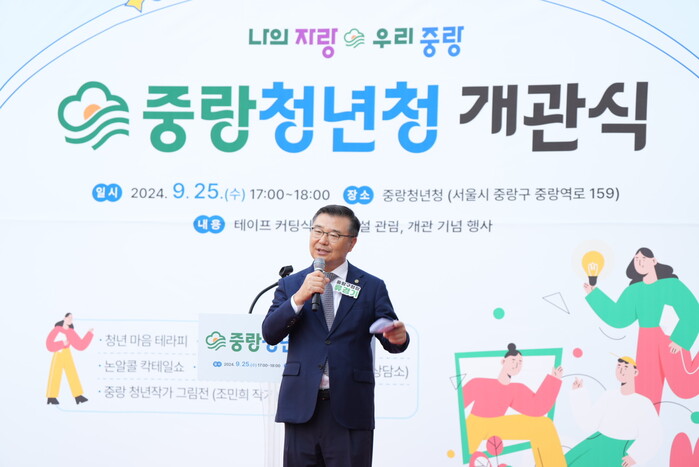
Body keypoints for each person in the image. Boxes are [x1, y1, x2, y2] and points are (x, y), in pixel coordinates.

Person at [261, 205, 409, 467]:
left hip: (350, 407)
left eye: (333, 235)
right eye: (317, 231)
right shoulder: (291, 284)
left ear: (352, 243)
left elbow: (390, 335)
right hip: (301, 406)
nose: (322, 240)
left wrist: (398, 338)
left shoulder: (371, 286)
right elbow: (270, 333)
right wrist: (299, 298)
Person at [583, 247, 699, 410]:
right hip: (646, 341)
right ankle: (647, 423)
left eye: (643, 258)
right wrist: (594, 294)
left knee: (685, 386)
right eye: (636, 259)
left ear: (654, 261)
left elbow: (693, 311)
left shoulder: (672, 285)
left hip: (670, 338)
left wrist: (680, 340)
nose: (639, 262)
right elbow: (619, 317)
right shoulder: (634, 290)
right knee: (646, 394)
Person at [461, 343, 566, 467]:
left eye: (520, 362)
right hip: (475, 423)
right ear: (503, 361)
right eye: (513, 360)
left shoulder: (515, 389)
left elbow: (537, 407)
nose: (516, 364)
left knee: (544, 425)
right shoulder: (479, 383)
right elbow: (457, 405)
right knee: (462, 449)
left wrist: (554, 380)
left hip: (497, 424)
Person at [566, 356, 661, 467]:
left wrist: (635, 456)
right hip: (598, 443)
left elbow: (653, 434)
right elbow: (589, 423)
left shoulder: (643, 403)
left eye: (626, 367)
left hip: (622, 449)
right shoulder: (608, 395)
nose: (621, 370)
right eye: (619, 366)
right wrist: (578, 394)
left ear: (635, 372)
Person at [45, 313, 94, 405]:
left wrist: (89, 334)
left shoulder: (71, 332)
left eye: (72, 318)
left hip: (67, 353)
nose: (70, 319)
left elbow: (80, 345)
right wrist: (62, 343)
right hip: (58, 353)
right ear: (64, 318)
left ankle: (78, 396)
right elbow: (49, 345)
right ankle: (51, 397)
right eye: (69, 317)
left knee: (72, 373)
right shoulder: (57, 330)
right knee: (55, 373)